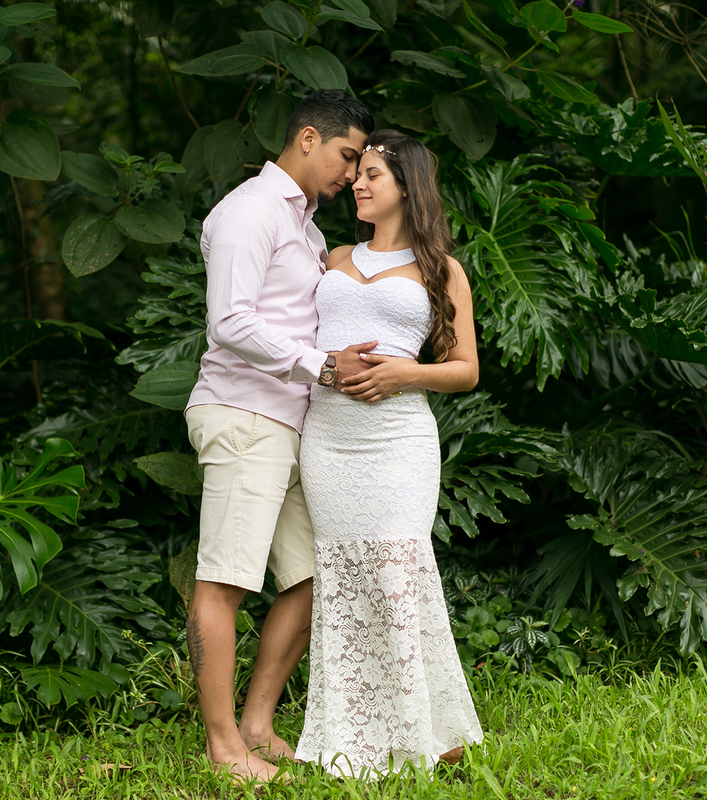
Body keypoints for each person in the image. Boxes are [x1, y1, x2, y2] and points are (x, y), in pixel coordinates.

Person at [183, 89, 377, 784]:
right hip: (244, 416)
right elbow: (228, 323)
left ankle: (259, 725)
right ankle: (223, 747)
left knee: (311, 576)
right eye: (346, 156)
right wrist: (319, 365)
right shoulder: (249, 212)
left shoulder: (308, 229)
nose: (352, 174)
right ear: (305, 137)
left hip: (295, 424)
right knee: (224, 581)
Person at [294, 129, 484, 778]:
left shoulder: (441, 269)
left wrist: (405, 373)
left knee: (398, 576)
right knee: (346, 580)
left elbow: (465, 370)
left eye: (373, 173)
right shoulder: (333, 256)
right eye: (359, 174)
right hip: (329, 440)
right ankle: (355, 742)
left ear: (408, 185)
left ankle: (431, 736)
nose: (359, 183)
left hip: (399, 440)